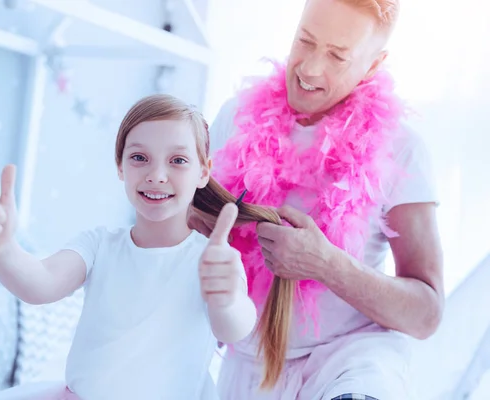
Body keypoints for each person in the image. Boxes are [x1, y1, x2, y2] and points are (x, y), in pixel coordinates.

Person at [187, 0, 445, 399]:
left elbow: (427, 314)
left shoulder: (402, 149)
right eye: (305, 41)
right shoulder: (234, 116)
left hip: (349, 362)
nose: (308, 68)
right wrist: (189, 222)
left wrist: (327, 265)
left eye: (337, 56)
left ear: (374, 65)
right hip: (250, 363)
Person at [0, 94, 271, 400]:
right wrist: (2, 250)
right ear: (120, 166)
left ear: (203, 172)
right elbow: (41, 283)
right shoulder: (98, 245)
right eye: (139, 158)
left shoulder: (213, 261)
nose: (157, 175)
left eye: (178, 161)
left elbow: (235, 328)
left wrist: (227, 299)